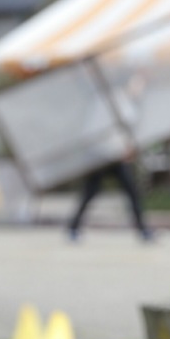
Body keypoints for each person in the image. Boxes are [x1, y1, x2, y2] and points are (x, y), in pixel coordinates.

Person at [68, 73, 153, 242]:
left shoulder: (128, 103)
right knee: (90, 192)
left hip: (116, 156)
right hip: (101, 154)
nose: (140, 89)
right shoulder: (114, 99)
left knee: (130, 192)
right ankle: (73, 227)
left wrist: (127, 149)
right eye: (138, 84)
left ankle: (143, 231)